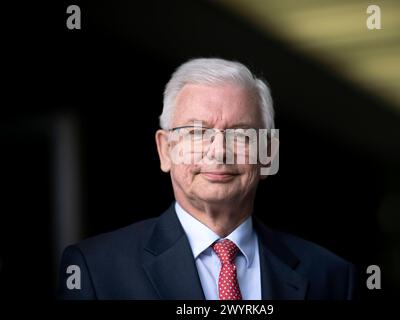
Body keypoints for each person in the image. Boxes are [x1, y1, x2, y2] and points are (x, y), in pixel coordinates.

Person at [58, 58, 356, 300]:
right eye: (198, 133)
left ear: (268, 154)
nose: (218, 152)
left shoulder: (331, 277)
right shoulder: (95, 269)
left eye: (239, 134)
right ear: (165, 150)